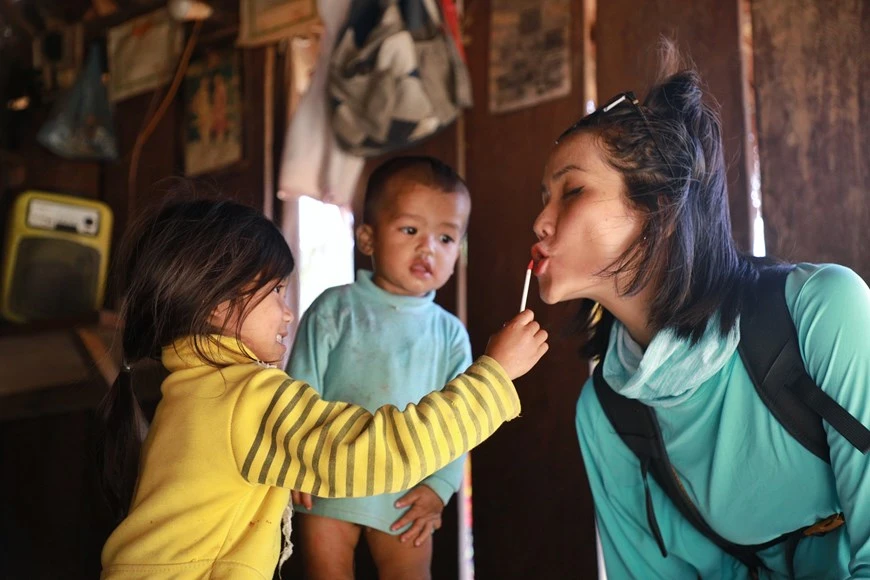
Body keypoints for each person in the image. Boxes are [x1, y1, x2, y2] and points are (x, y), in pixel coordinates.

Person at [531, 42, 870, 578]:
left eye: (570, 191)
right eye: (542, 198)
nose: (540, 223)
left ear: (659, 206)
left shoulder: (823, 311)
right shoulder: (606, 417)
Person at [98, 196, 549, 580]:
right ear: (218, 305)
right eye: (275, 291)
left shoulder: (187, 386)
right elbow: (372, 452)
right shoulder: (244, 394)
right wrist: (495, 376)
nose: (288, 312)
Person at [288, 156, 473, 580]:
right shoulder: (335, 308)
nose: (428, 248)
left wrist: (439, 488)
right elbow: (299, 390)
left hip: (407, 492)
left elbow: (462, 421)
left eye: (445, 238)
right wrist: (297, 458)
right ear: (368, 239)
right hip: (326, 480)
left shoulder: (450, 335)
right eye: (410, 230)